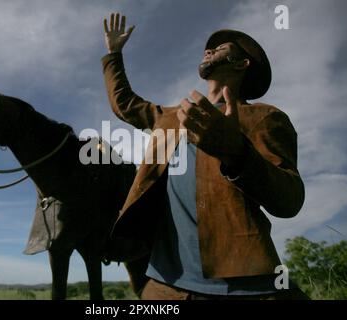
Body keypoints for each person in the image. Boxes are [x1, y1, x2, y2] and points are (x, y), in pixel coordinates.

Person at [101, 13, 308, 300]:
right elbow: (125, 104)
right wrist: (113, 54)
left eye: (221, 48)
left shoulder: (263, 117)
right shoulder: (171, 117)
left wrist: (236, 151)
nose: (209, 50)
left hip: (244, 287)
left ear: (241, 63)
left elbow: (289, 200)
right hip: (163, 286)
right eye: (208, 48)